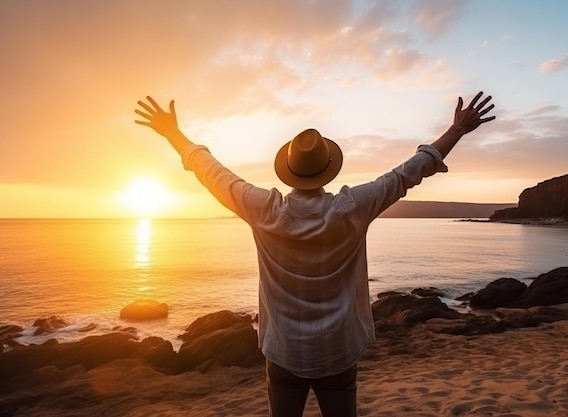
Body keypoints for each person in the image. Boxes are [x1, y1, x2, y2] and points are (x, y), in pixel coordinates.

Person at [134, 91, 495, 417]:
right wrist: (456, 131)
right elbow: (410, 171)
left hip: (284, 352)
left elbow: (212, 173)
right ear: (327, 169)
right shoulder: (352, 207)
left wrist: (173, 135)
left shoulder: (264, 210)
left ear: (289, 171)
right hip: (338, 352)